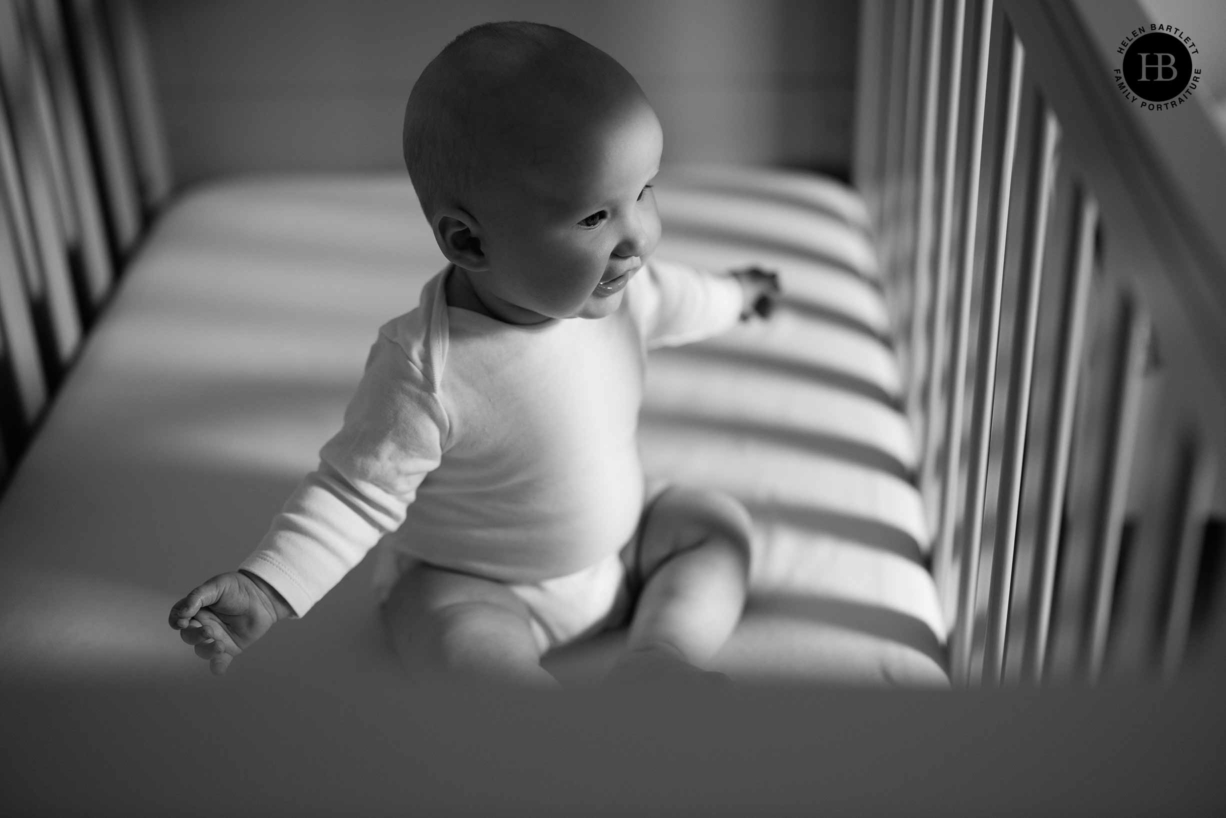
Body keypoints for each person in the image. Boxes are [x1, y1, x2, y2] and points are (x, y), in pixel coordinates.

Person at [168, 20, 781, 688]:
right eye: (592, 218)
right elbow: (353, 491)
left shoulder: (627, 292)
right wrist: (268, 586)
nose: (637, 238)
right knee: (454, 635)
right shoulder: (426, 367)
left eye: (643, 192)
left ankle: (663, 660)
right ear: (468, 243)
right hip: (480, 582)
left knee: (716, 527)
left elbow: (687, 298)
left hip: (625, 546)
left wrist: (738, 294)